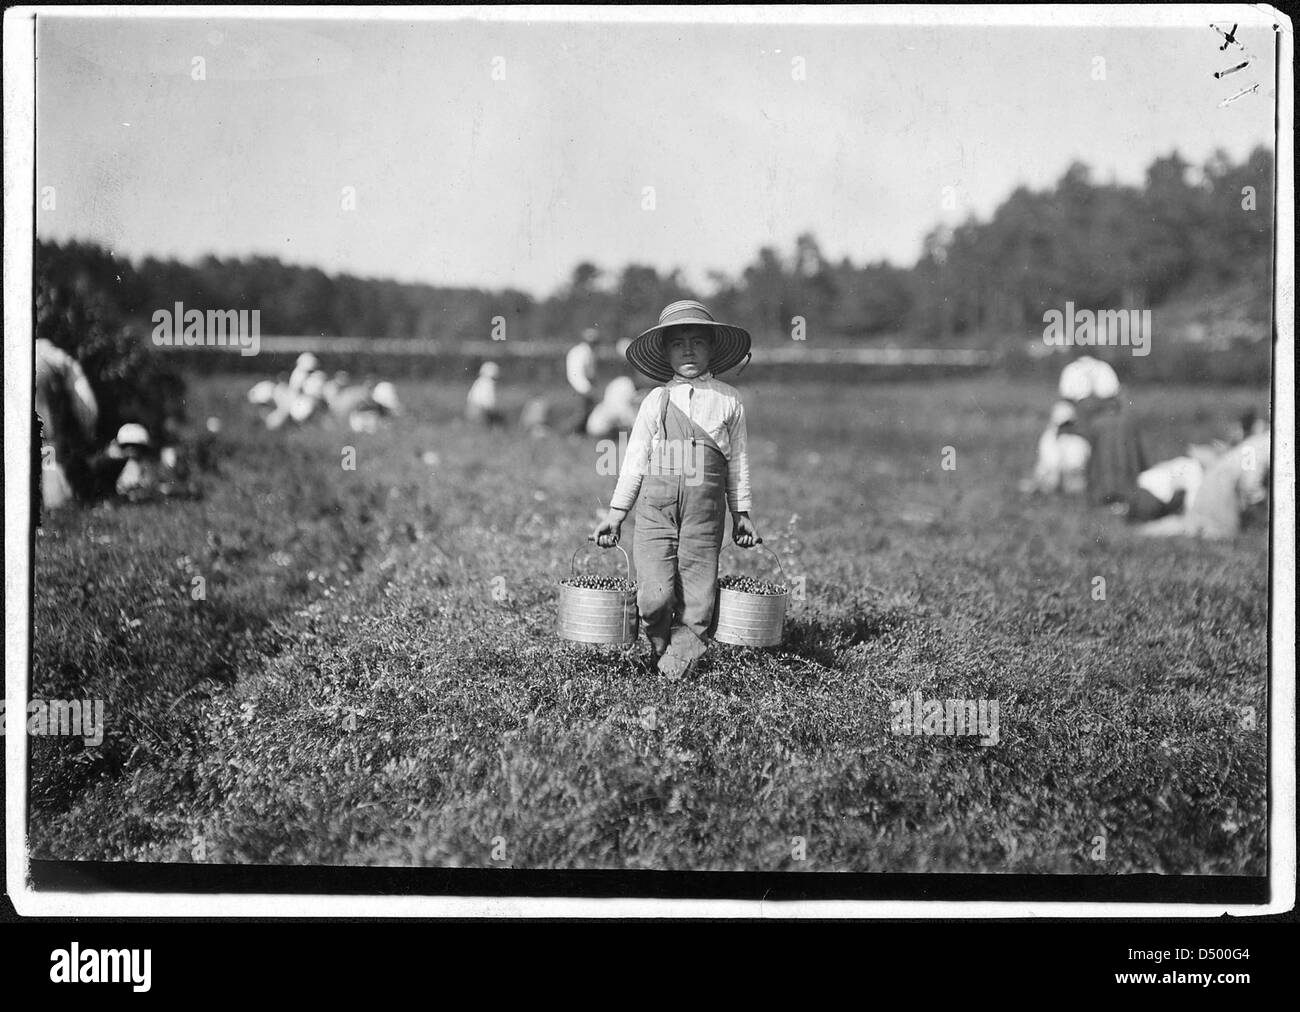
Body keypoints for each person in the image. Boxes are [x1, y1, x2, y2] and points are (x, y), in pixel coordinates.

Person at [592, 300, 759, 679]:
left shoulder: (729, 400)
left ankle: (675, 668)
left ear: (711, 348)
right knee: (654, 596)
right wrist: (616, 514)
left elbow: (738, 462)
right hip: (657, 508)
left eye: (697, 342)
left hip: (705, 511)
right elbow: (634, 459)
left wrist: (742, 513)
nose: (688, 351)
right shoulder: (656, 399)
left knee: (698, 599)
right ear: (665, 352)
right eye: (678, 344)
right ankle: (659, 648)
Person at [1138, 429, 1270, 539]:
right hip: (1222, 483)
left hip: (1219, 479)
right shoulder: (1262, 447)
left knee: (1203, 526)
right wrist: (1261, 499)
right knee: (1219, 531)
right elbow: (1250, 481)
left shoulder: (1260, 442)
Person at [1063, 356, 1148, 506]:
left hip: (1101, 421)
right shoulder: (1076, 371)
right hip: (1090, 422)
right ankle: (1115, 490)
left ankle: (1112, 490)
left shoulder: (1101, 371)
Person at [35, 336, 100, 509]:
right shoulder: (67, 364)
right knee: (49, 441)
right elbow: (86, 404)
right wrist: (89, 431)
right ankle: (53, 500)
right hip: (42, 373)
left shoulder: (43, 351)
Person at [565, 326, 602, 434]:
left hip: (586, 386)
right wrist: (586, 389)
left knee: (587, 412)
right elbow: (576, 374)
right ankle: (570, 434)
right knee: (579, 414)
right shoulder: (580, 352)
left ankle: (580, 434)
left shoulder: (590, 352)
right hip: (579, 387)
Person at [466, 362, 505, 426]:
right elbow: (489, 403)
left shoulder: (479, 381)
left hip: (471, 411)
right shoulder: (488, 383)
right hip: (480, 413)